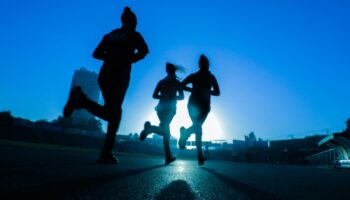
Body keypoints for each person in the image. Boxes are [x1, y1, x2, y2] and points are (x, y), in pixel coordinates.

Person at [63, 7, 149, 164]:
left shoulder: (110, 35)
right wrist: (130, 58)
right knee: (114, 114)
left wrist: (110, 57)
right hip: (120, 75)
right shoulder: (134, 35)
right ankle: (82, 102)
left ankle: (105, 151)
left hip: (105, 74)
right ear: (133, 22)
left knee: (113, 112)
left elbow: (95, 54)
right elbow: (144, 51)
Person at [178, 54, 220, 165]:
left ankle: (185, 133)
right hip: (194, 106)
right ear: (201, 65)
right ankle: (200, 157)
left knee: (197, 128)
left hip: (204, 107)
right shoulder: (196, 76)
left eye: (206, 63)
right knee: (198, 128)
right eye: (204, 64)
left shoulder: (211, 77)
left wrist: (205, 91)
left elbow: (217, 92)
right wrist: (193, 90)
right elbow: (181, 85)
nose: (206, 65)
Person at [140, 63, 184, 165]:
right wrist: (173, 97)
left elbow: (154, 95)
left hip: (160, 109)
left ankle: (168, 156)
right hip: (170, 110)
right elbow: (182, 97)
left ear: (167, 71)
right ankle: (150, 129)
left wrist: (163, 96)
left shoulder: (161, 82)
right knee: (166, 132)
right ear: (174, 71)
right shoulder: (177, 83)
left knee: (166, 133)